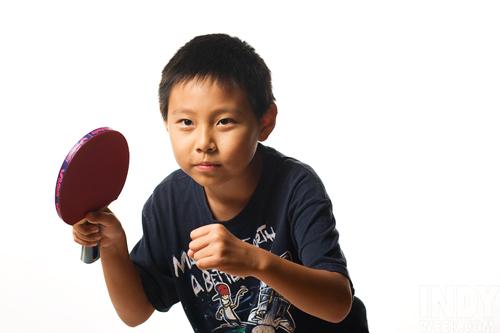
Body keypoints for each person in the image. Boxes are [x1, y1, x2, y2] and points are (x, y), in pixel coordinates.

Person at [73, 33, 367, 332]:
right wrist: (112, 245)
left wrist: (255, 261)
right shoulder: (168, 202)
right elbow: (135, 312)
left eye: (224, 121)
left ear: (265, 122)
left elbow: (337, 304)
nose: (204, 143)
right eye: (186, 122)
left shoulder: (296, 187)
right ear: (166, 123)